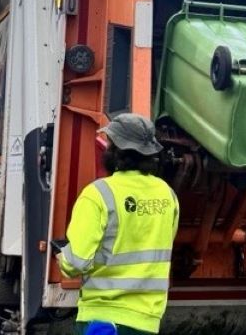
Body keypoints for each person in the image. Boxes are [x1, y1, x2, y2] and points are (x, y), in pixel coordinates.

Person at [58, 113, 179, 335]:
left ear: (115, 150)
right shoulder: (167, 195)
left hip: (104, 319)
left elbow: (75, 263)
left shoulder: (98, 194)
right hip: (148, 321)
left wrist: (61, 255)